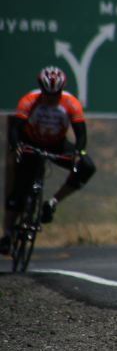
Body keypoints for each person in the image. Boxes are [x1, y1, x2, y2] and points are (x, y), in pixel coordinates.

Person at [0, 66, 96, 255]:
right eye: (47, 94)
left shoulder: (71, 103)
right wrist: (16, 145)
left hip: (57, 144)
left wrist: (79, 152)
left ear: (61, 91)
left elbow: (81, 134)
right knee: (19, 189)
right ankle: (7, 234)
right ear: (41, 90)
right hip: (31, 143)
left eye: (55, 95)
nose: (51, 99)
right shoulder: (29, 100)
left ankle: (52, 203)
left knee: (86, 166)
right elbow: (16, 129)